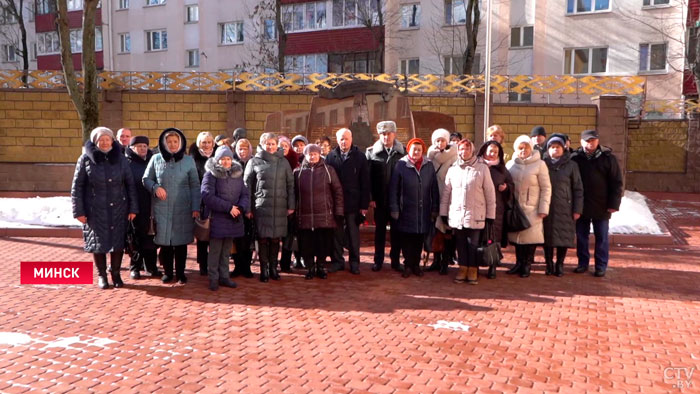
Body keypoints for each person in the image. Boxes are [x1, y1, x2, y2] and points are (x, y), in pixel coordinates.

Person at [71, 127, 138, 289]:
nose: (105, 142)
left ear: (112, 140)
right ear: (95, 141)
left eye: (108, 139)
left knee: (118, 243)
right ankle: (102, 276)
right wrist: (78, 211)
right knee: (98, 244)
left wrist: (133, 208)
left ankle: (116, 274)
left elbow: (130, 184)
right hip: (95, 210)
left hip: (119, 209)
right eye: (101, 139)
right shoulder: (85, 159)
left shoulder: (121, 159)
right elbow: (77, 186)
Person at [143, 128, 201, 284]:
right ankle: (168, 272)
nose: (173, 144)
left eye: (176, 142)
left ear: (180, 143)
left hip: (183, 207)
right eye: (169, 142)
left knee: (181, 243)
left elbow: (195, 185)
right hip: (161, 208)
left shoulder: (189, 160)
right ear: (164, 143)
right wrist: (155, 187)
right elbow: (146, 179)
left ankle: (181, 273)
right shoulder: (156, 159)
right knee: (165, 243)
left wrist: (196, 206)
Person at [440, 139, 496, 284]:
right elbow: (447, 193)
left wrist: (490, 215)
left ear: (472, 150)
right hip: (457, 215)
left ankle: (473, 269)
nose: (464, 152)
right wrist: (444, 213)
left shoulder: (482, 169)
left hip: (476, 214)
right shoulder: (453, 169)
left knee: (473, 244)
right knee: (460, 244)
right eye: (461, 149)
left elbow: (490, 193)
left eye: (467, 149)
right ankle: (462, 268)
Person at [243, 132, 295, 283]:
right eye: (268, 144)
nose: (270, 146)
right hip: (261, 207)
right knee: (263, 238)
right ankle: (264, 269)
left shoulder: (283, 162)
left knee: (275, 239)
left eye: (273, 143)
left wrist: (291, 205)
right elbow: (247, 186)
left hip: (280, 207)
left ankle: (274, 267)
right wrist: (248, 208)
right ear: (262, 144)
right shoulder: (254, 162)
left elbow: (290, 185)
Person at [571, 129, 623, 277]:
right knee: (581, 236)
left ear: (598, 141)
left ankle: (601, 265)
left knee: (602, 237)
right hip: (581, 205)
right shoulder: (575, 158)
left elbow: (616, 182)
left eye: (593, 140)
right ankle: (583, 263)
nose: (590, 143)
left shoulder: (608, 158)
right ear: (581, 141)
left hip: (602, 205)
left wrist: (614, 204)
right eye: (587, 140)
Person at [201, 146, 249, 291]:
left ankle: (224, 276)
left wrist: (240, 207)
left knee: (227, 251)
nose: (226, 162)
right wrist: (228, 208)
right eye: (223, 159)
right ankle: (213, 278)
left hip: (233, 219)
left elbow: (245, 195)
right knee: (215, 251)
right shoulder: (210, 175)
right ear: (217, 160)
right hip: (217, 219)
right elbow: (207, 195)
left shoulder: (237, 175)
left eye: (228, 159)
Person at [390, 138, 440, 278]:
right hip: (406, 208)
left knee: (419, 239)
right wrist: (394, 207)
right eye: (414, 149)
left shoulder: (428, 165)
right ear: (409, 150)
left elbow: (434, 188)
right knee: (407, 239)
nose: (416, 152)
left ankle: (416, 265)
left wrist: (435, 207)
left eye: (419, 150)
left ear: (423, 151)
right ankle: (407, 265)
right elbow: (394, 188)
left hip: (423, 209)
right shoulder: (401, 165)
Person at [294, 144, 344, 280]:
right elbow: (293, 195)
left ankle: (321, 267)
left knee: (323, 244)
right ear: (305, 155)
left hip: (324, 216)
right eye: (310, 154)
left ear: (319, 154)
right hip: (305, 217)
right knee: (307, 245)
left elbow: (338, 191)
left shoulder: (329, 170)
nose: (312, 156)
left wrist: (338, 210)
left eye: (315, 154)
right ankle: (310, 267)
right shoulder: (298, 173)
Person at [506, 135, 552, 278]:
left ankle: (527, 264)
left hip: (532, 208)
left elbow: (546, 188)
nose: (523, 150)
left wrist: (544, 208)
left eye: (526, 147)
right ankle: (519, 263)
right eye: (520, 148)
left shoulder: (540, 164)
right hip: (515, 207)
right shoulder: (511, 164)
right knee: (517, 237)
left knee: (530, 238)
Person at [325, 128, 370, 274]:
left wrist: (364, 205)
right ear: (337, 140)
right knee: (336, 234)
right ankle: (338, 261)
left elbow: (365, 182)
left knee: (353, 234)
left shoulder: (360, 157)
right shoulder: (331, 157)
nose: (344, 142)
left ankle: (354, 262)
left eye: (346, 139)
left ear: (351, 139)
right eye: (341, 139)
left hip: (353, 203)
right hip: (335, 203)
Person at [366, 120, 405, 272]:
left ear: (394, 134)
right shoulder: (371, 153)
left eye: (388, 133)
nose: (386, 137)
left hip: (396, 200)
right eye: (382, 134)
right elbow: (368, 178)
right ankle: (378, 260)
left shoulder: (403, 152)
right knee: (380, 232)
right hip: (379, 200)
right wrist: (370, 197)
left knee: (397, 232)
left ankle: (395, 260)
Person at [542, 136, 584, 277]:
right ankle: (549, 263)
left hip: (565, 207)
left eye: (558, 147)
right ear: (548, 149)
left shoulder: (572, 166)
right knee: (547, 238)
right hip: (547, 206)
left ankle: (560, 264)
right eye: (552, 147)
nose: (555, 149)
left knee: (563, 237)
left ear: (563, 148)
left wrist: (577, 209)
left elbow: (578, 188)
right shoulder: (542, 164)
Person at [476, 140, 514, 279]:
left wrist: (506, 188)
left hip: (497, 208)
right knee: (478, 236)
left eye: (495, 152)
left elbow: (511, 185)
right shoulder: (476, 165)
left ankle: (493, 265)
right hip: (478, 207)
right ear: (484, 151)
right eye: (490, 151)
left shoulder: (502, 169)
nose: (492, 154)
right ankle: (477, 264)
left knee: (494, 237)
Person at [125, 135, 160, 279]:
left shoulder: (153, 161)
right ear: (132, 148)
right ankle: (135, 267)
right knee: (135, 239)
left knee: (151, 238)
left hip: (151, 207)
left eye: (145, 146)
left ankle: (151, 267)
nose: (143, 149)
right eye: (139, 146)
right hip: (135, 207)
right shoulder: (127, 163)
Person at [426, 128, 458, 275]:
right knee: (435, 230)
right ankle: (436, 260)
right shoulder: (430, 156)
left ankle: (445, 261)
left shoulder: (454, 156)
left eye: (443, 140)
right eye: (437, 140)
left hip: (448, 198)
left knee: (446, 231)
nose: (440, 143)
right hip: (433, 197)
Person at [189, 131, 216, 276]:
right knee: (202, 235)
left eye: (209, 142)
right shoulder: (193, 160)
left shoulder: (218, 158)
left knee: (215, 236)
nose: (206, 145)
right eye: (203, 142)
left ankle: (214, 265)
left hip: (216, 203)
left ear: (213, 143)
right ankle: (203, 265)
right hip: (201, 203)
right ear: (199, 143)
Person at [230, 138, 256, 279]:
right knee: (236, 240)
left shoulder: (254, 162)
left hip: (250, 208)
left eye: (245, 148)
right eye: (240, 148)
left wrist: (249, 209)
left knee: (248, 239)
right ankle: (237, 266)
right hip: (236, 207)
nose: (242, 151)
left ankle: (246, 267)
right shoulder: (232, 164)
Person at [278, 135, 301, 273]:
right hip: (275, 203)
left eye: (286, 146)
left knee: (288, 235)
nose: (283, 149)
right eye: (281, 146)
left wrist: (292, 205)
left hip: (290, 204)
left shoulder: (295, 162)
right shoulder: (273, 160)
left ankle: (285, 262)